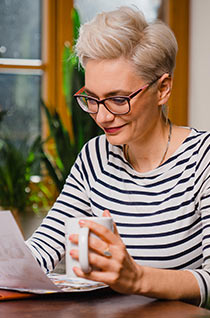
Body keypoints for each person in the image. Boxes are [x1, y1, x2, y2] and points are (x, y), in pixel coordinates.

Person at [26, 6, 210, 307]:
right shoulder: (95, 155)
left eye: (117, 99)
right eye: (92, 99)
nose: (102, 115)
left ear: (163, 88)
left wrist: (137, 279)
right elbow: (44, 246)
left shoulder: (203, 159)